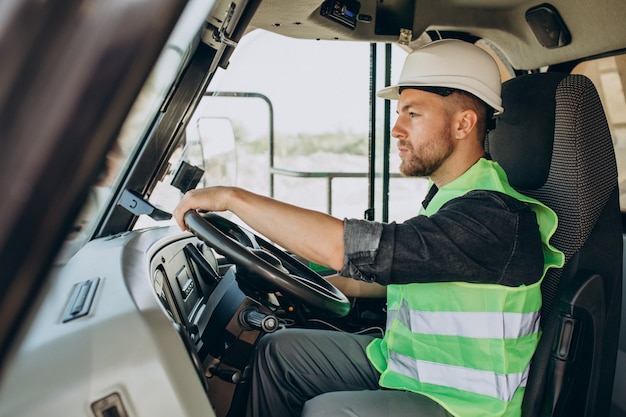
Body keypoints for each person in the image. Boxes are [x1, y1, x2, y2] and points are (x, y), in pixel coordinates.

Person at [173, 39, 564, 417]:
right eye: (399, 113)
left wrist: (232, 198)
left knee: (327, 412)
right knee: (280, 352)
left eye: (412, 113)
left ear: (463, 124)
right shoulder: (455, 198)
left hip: (464, 404)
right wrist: (319, 283)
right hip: (410, 366)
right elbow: (408, 270)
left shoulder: (493, 217)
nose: (396, 129)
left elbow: (352, 248)